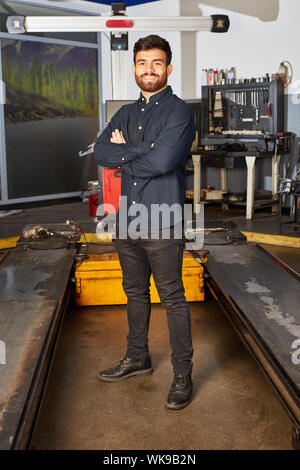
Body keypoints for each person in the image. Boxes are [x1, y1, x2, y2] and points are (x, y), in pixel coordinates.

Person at [94, 35, 196, 410]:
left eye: (156, 62)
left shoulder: (180, 113)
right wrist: (141, 149)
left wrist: (129, 154)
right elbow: (102, 154)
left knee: (172, 297)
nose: (148, 69)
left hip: (162, 220)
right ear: (134, 67)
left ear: (168, 68)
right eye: (141, 62)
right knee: (134, 292)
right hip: (126, 219)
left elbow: (163, 162)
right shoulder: (124, 113)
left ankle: (183, 374)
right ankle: (138, 357)